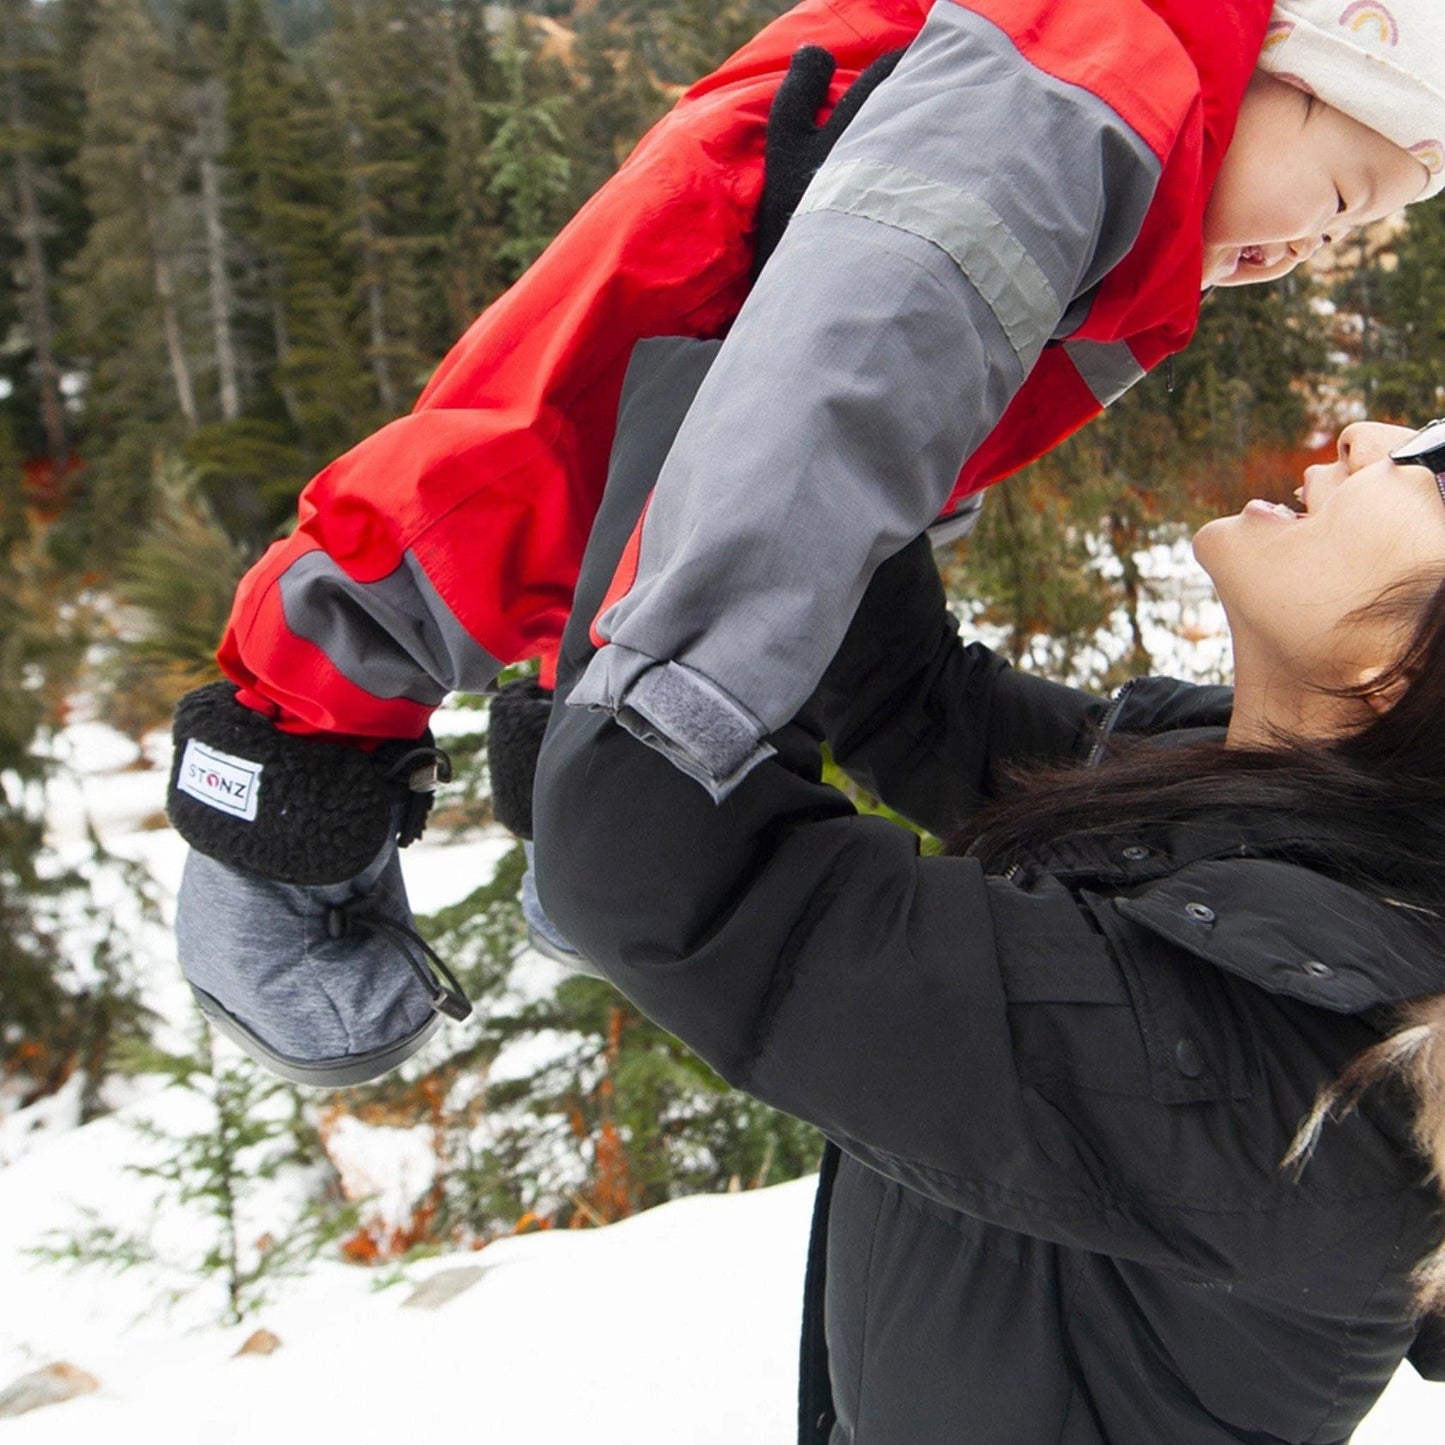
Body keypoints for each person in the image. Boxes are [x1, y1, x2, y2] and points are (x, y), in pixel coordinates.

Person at [167, 0, 1445, 1082]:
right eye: (1336, 192)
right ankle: (277, 795)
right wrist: (680, 734)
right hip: (678, 342)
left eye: (1342, 239)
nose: (1309, 246)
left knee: (570, 538)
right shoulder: (1090, 77)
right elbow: (854, 370)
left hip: (689, 455)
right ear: (1287, 66)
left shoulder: (1128, 194)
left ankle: (524, 749)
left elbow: (922, 421)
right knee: (491, 504)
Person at [533, 337, 1445, 1443]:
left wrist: (741, 404)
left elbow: (672, 870)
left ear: (1400, 670)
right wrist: (821, 327)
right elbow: (908, 701)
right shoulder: (1231, 778)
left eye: (1430, 470)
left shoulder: (1283, 1069)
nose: (1369, 438)